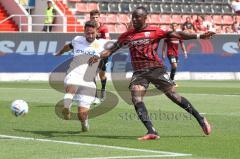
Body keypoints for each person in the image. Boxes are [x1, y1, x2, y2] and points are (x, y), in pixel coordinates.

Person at [89, 7, 214, 140]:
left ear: (145, 18)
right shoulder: (128, 35)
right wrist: (99, 56)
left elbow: (178, 35)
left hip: (155, 68)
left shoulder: (155, 31)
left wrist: (199, 35)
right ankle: (151, 131)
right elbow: (111, 49)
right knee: (136, 97)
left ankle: (200, 118)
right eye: (133, 17)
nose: (135, 19)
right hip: (139, 72)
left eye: (138, 17)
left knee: (173, 96)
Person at [55, 21, 108, 132]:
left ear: (97, 32)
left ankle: (84, 123)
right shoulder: (77, 39)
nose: (90, 36)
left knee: (82, 114)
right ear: (84, 31)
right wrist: (60, 52)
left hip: (89, 80)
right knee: (71, 87)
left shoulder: (102, 44)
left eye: (93, 33)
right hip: (74, 73)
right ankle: (67, 107)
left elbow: (119, 45)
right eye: (88, 33)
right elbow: (68, 46)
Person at [90, 9, 110, 102]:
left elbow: (108, 41)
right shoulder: (89, 28)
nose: (95, 19)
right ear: (90, 18)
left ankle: (103, 89)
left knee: (102, 75)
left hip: (102, 55)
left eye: (96, 17)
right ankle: (95, 96)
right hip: (92, 54)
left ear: (99, 18)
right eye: (93, 17)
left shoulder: (104, 28)